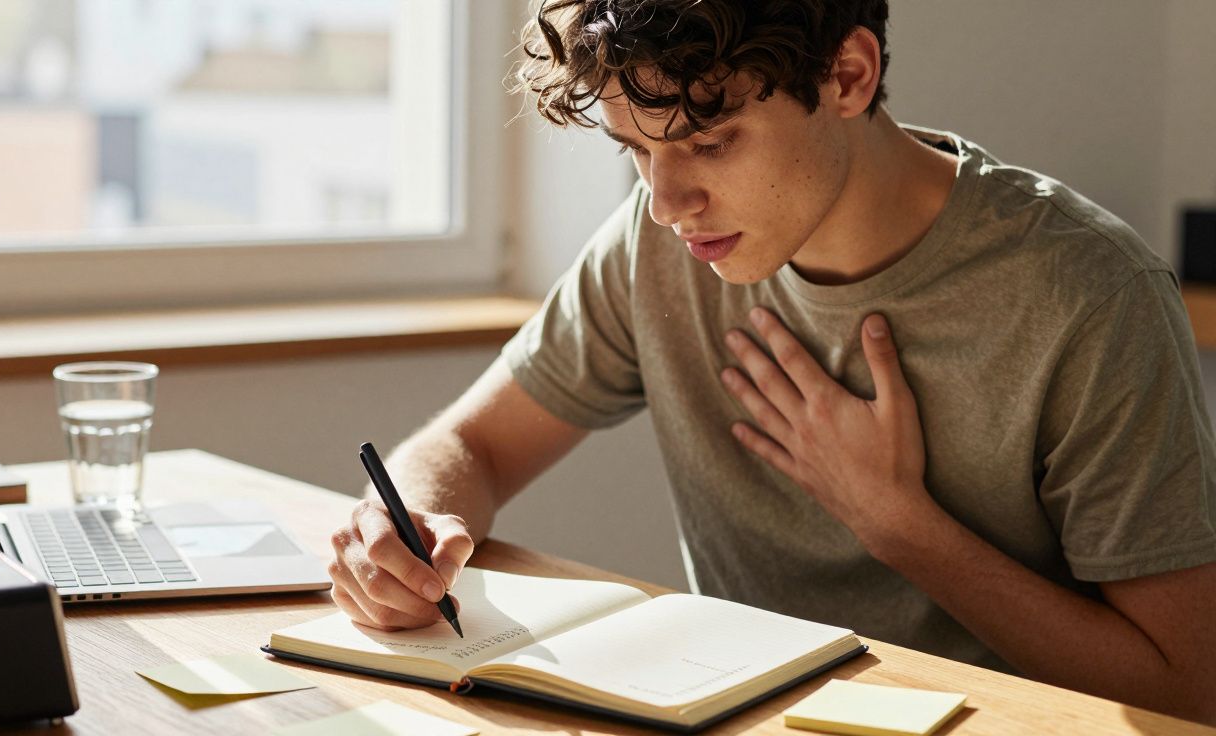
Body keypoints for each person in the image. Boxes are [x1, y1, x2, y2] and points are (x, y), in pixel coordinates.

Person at [328, 0, 1216, 722]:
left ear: (848, 76)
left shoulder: (1088, 293)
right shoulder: (657, 246)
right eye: (634, 150)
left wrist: (899, 525)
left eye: (709, 142)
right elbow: (473, 447)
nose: (668, 202)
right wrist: (403, 531)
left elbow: (1186, 689)